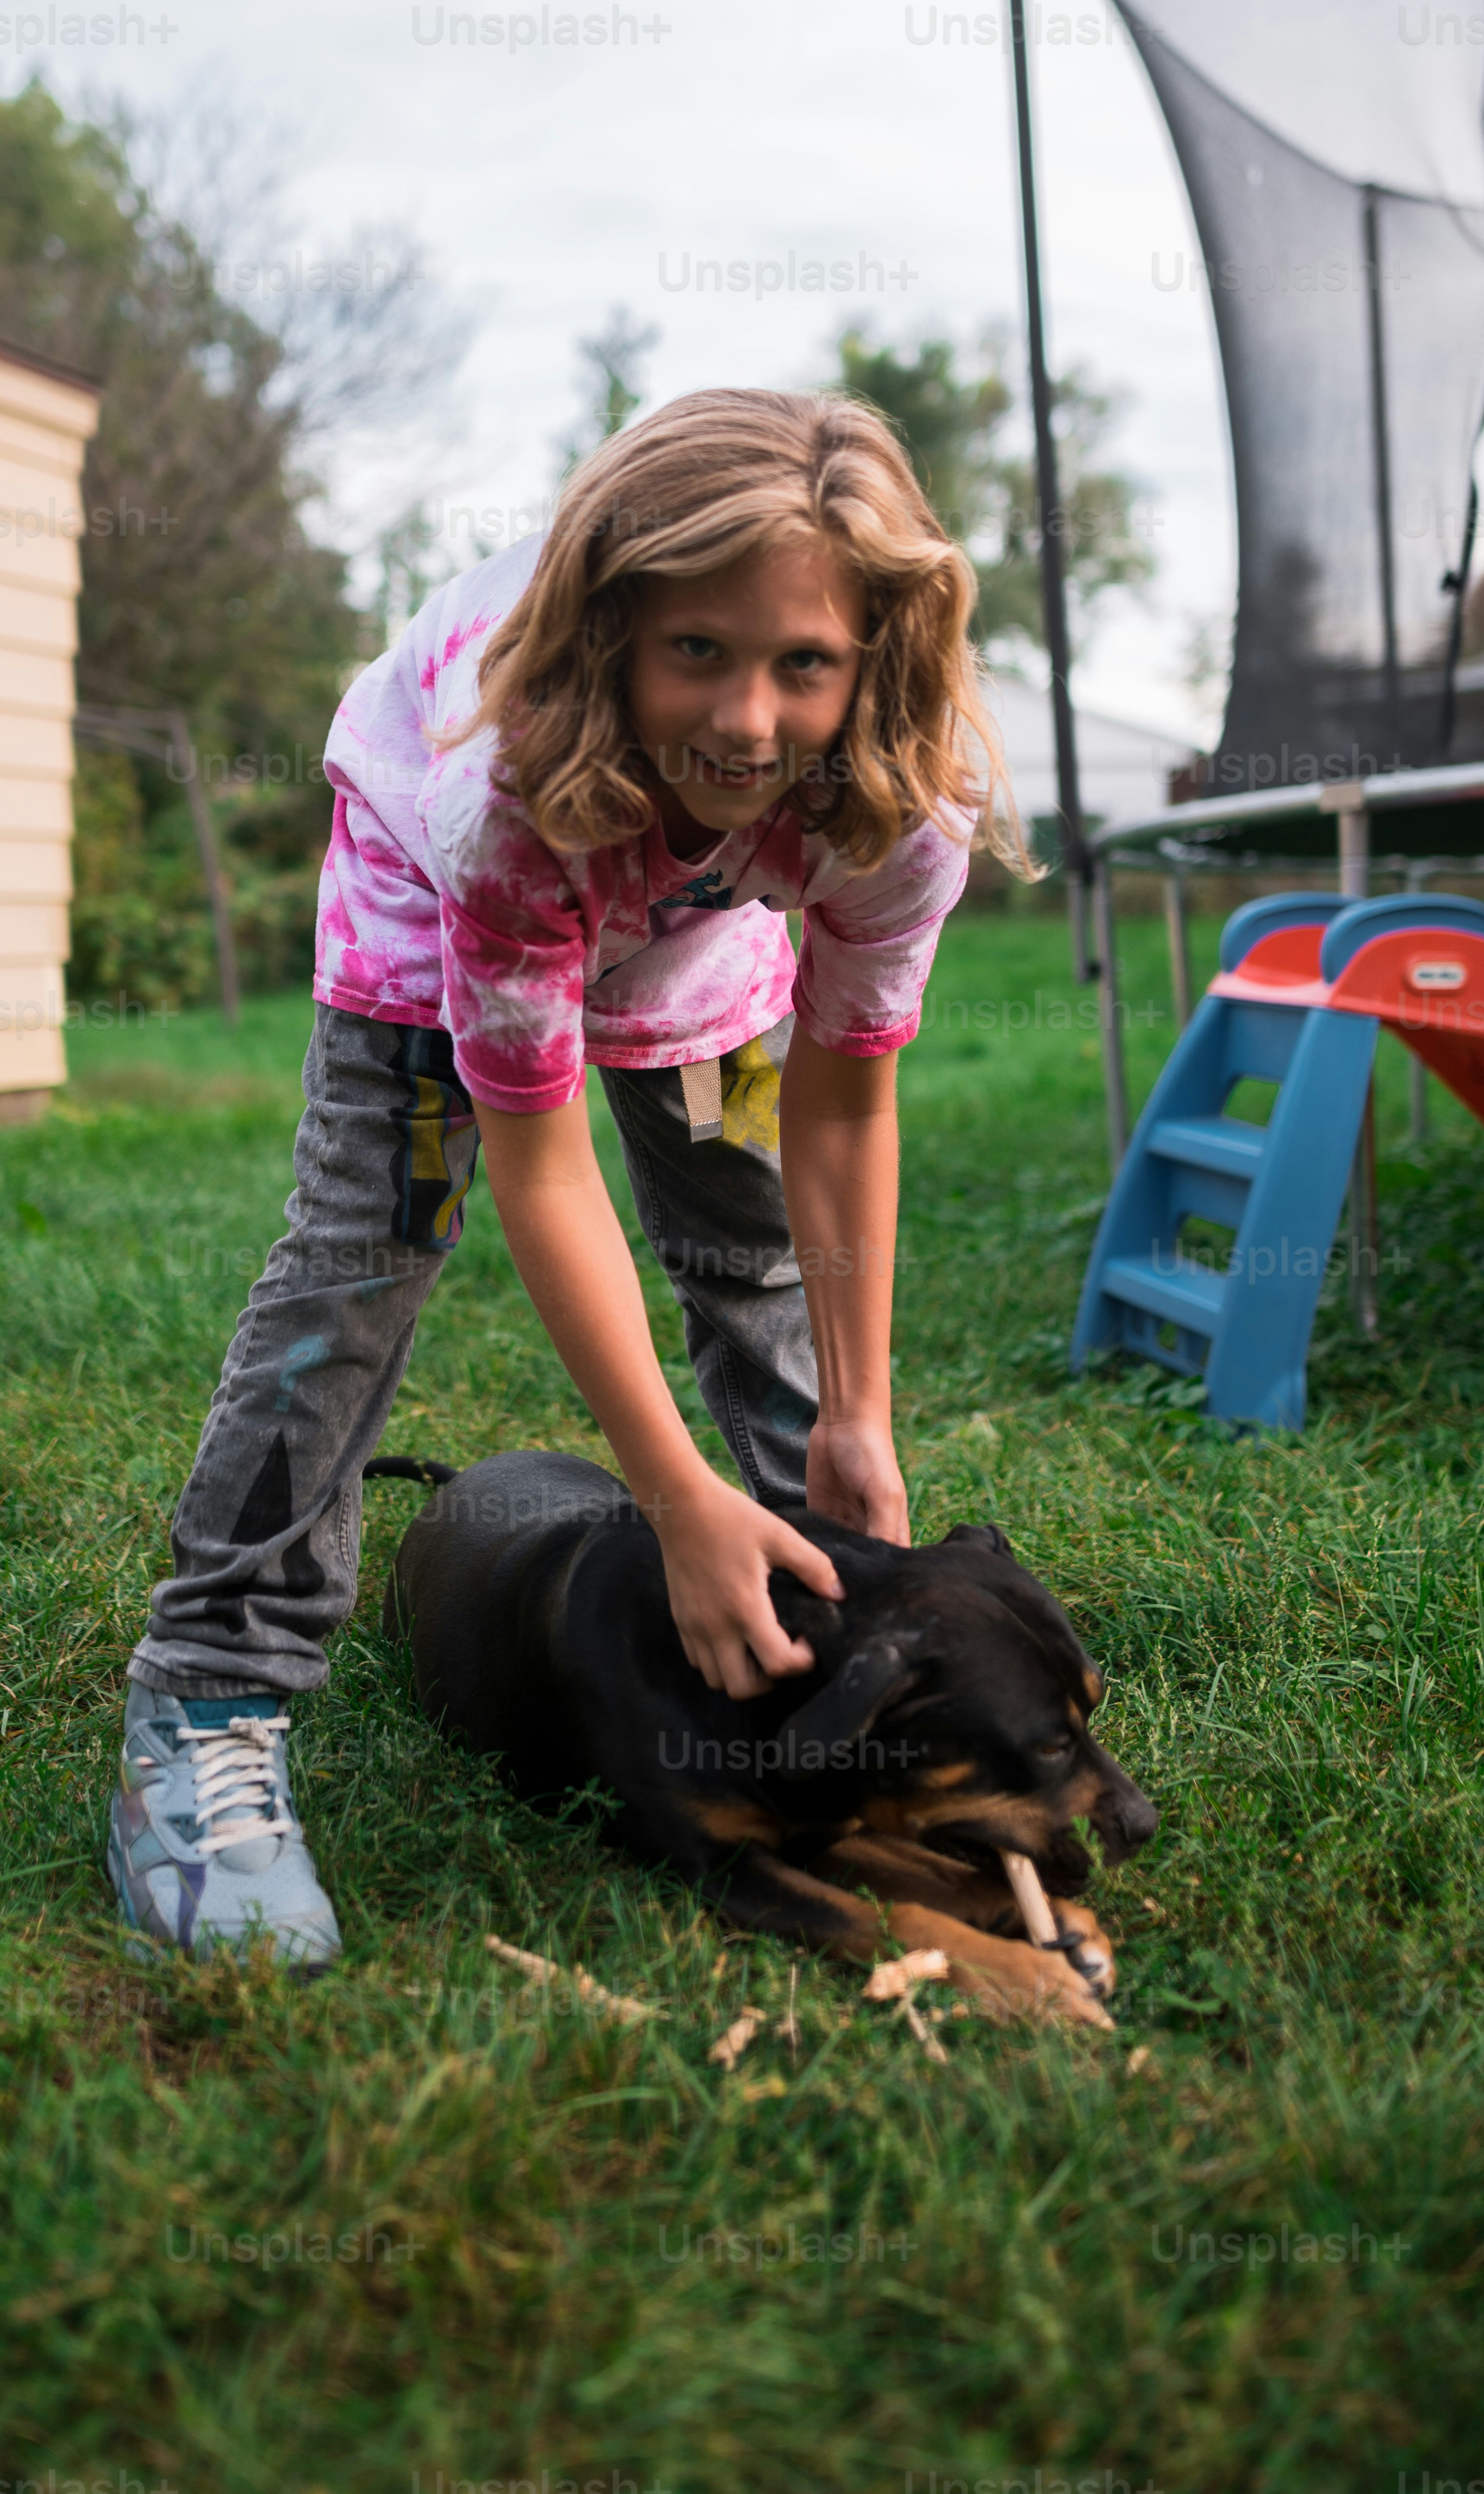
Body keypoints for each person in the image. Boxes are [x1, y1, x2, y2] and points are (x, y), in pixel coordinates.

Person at [109, 385, 1020, 1962]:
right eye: (700, 653)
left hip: (700, 923)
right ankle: (206, 1706)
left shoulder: (900, 805)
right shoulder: (502, 799)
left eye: (803, 663)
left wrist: (862, 1417)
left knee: (746, 1238)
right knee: (364, 1259)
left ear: (873, 656)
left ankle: (827, 1601)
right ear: (619, 633)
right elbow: (542, 1174)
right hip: (461, 878)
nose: (747, 718)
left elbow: (843, 1108)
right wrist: (668, 1496)